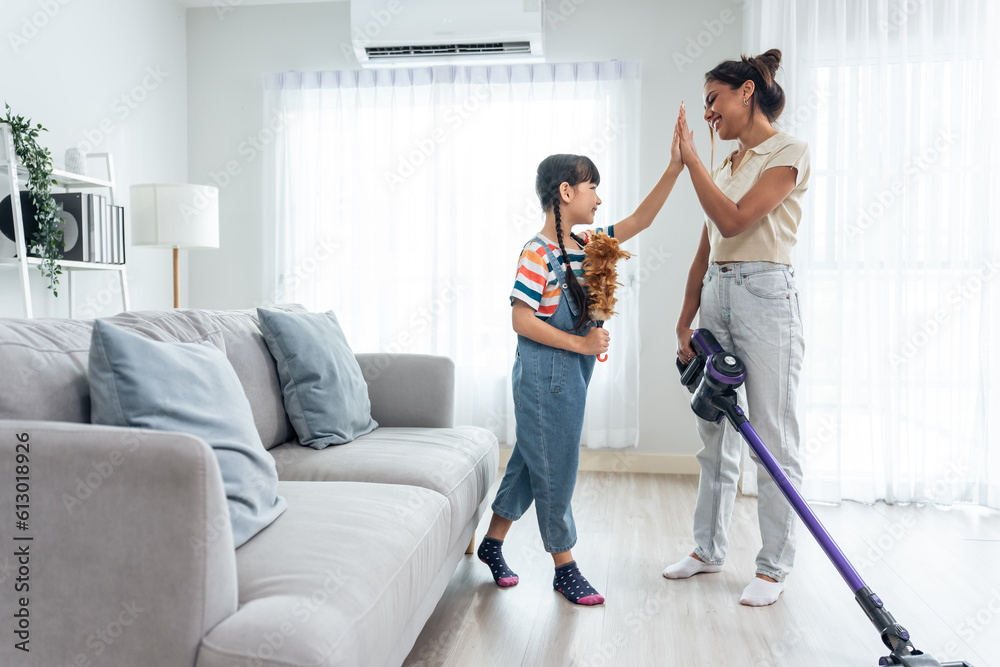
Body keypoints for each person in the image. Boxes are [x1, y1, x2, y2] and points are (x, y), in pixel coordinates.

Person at [479, 145, 682, 606]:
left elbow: (640, 221)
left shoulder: (587, 244)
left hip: (572, 371)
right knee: (557, 468)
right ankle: (563, 564)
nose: (599, 199)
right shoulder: (537, 252)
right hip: (545, 372)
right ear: (566, 191)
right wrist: (581, 344)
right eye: (593, 188)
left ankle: (492, 543)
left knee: (534, 459)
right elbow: (521, 319)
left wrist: (674, 167)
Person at [662, 49, 810, 607]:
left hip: (766, 298)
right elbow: (708, 245)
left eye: (713, 100)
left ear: (746, 92)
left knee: (771, 437)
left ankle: (773, 566)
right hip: (718, 296)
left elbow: (735, 220)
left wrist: (691, 161)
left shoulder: (789, 152)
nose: (708, 113)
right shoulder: (725, 165)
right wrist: (684, 320)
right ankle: (708, 550)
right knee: (714, 433)